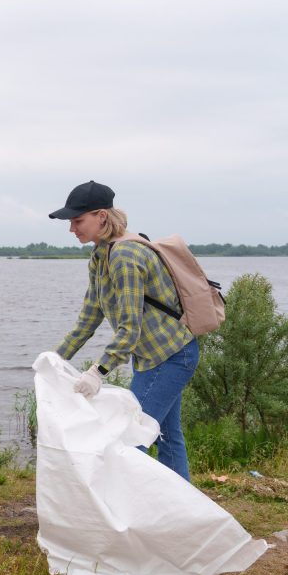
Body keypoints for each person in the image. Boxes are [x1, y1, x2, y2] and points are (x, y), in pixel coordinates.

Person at [49, 180, 198, 482]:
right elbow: (90, 316)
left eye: (77, 220)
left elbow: (130, 329)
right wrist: (55, 359)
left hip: (170, 357)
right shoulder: (100, 256)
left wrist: (97, 372)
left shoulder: (125, 256)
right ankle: (181, 512)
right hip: (154, 357)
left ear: (101, 216)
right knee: (167, 435)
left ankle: (127, 512)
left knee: (130, 438)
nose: (71, 228)